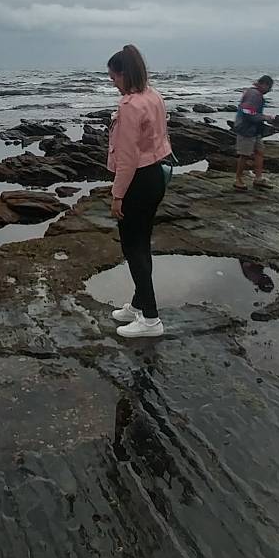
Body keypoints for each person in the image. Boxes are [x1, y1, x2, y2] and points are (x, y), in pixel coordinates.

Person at [105, 44, 174, 339]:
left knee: (133, 248)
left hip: (138, 181)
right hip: (156, 175)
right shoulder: (153, 95)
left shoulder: (130, 106)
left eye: (113, 77)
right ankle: (138, 304)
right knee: (141, 244)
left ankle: (150, 319)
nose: (112, 82)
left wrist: (117, 195)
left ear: (124, 73)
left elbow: (128, 158)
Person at [234, 74, 274, 190]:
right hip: (245, 129)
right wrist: (264, 117)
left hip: (254, 129)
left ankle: (258, 178)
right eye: (269, 87)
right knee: (245, 155)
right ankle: (238, 179)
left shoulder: (256, 94)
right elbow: (246, 111)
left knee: (259, 152)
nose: (269, 90)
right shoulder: (253, 94)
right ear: (263, 84)